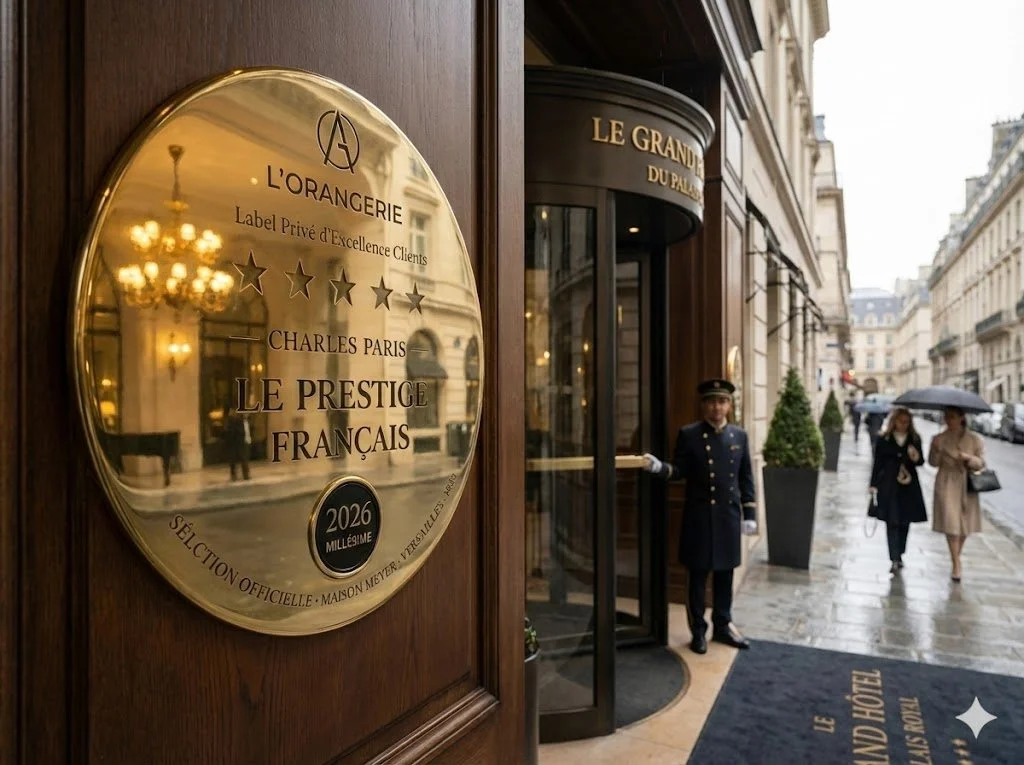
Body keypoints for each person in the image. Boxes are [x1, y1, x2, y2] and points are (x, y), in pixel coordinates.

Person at [642, 378, 757, 654]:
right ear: (703, 405)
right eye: (711, 401)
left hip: (727, 516)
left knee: (725, 575)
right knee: (697, 577)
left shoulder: (739, 436)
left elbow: (746, 478)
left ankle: (723, 625)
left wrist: (750, 512)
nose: (716, 407)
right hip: (700, 516)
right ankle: (698, 631)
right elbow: (679, 470)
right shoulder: (690, 434)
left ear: (729, 405)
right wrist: (660, 468)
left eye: (721, 401)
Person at [928, 406, 985, 582]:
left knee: (964, 527)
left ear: (961, 418)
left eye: (952, 417)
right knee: (951, 524)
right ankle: (956, 564)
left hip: (967, 484)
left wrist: (968, 458)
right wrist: (936, 449)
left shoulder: (975, 439)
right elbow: (933, 462)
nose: (948, 420)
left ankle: (956, 556)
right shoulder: (939, 438)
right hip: (946, 482)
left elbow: (981, 463)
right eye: (946, 417)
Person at [869, 408, 927, 575]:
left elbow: (920, 461)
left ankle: (900, 552)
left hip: (908, 486)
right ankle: (894, 558)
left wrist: (915, 457)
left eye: (907, 422)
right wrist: (873, 484)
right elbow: (877, 463)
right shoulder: (884, 439)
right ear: (894, 421)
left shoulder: (914, 439)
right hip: (888, 485)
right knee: (891, 521)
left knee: (904, 522)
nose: (904, 425)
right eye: (901, 421)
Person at [223, 398, 252, 481]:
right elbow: (232, 432)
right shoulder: (236, 421)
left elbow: (248, 431)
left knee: (245, 459)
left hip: (246, 441)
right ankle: (234, 475)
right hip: (237, 442)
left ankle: (245, 475)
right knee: (234, 460)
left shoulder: (247, 421)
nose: (247, 413)